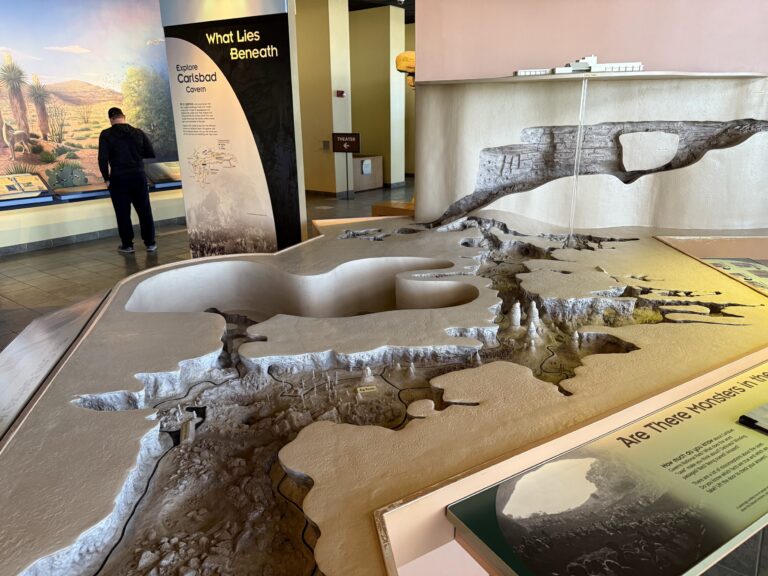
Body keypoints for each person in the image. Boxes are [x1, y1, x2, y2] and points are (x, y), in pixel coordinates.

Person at [98, 107, 157, 254]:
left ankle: (128, 245)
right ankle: (150, 243)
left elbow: (102, 159)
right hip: (138, 175)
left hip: (119, 177)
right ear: (123, 117)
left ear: (111, 119)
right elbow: (150, 152)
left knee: (122, 213)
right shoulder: (138, 132)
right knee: (144, 211)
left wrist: (106, 178)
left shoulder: (106, 134)